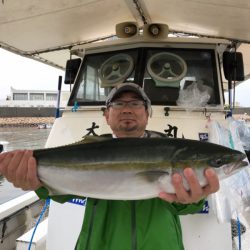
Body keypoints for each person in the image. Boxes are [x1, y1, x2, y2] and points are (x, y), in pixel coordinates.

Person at [0, 82, 219, 250]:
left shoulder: (170, 149)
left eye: (135, 104)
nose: (127, 109)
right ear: (106, 114)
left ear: (147, 113)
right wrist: (34, 181)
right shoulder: (87, 150)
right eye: (118, 104)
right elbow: (60, 193)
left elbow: (189, 206)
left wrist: (193, 198)